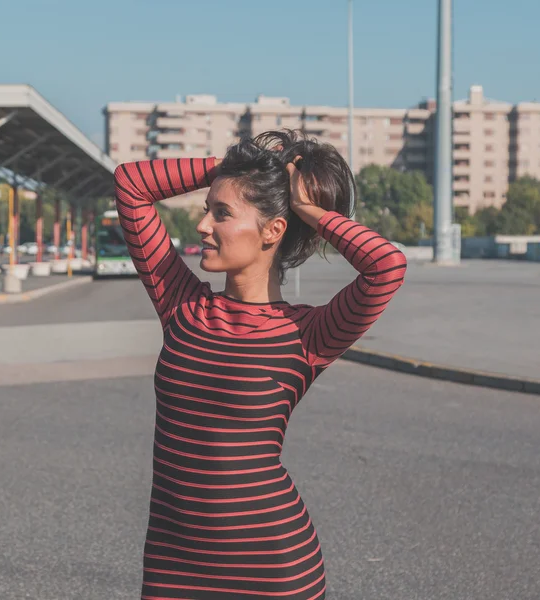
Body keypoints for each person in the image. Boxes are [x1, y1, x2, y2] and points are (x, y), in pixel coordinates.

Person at [114, 130, 407, 599]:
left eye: (222, 213)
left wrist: (308, 209)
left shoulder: (309, 334)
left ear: (273, 230)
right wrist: (244, 166)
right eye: (207, 208)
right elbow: (132, 184)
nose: (203, 225)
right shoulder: (182, 307)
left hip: (272, 569)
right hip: (172, 562)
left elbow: (386, 267)